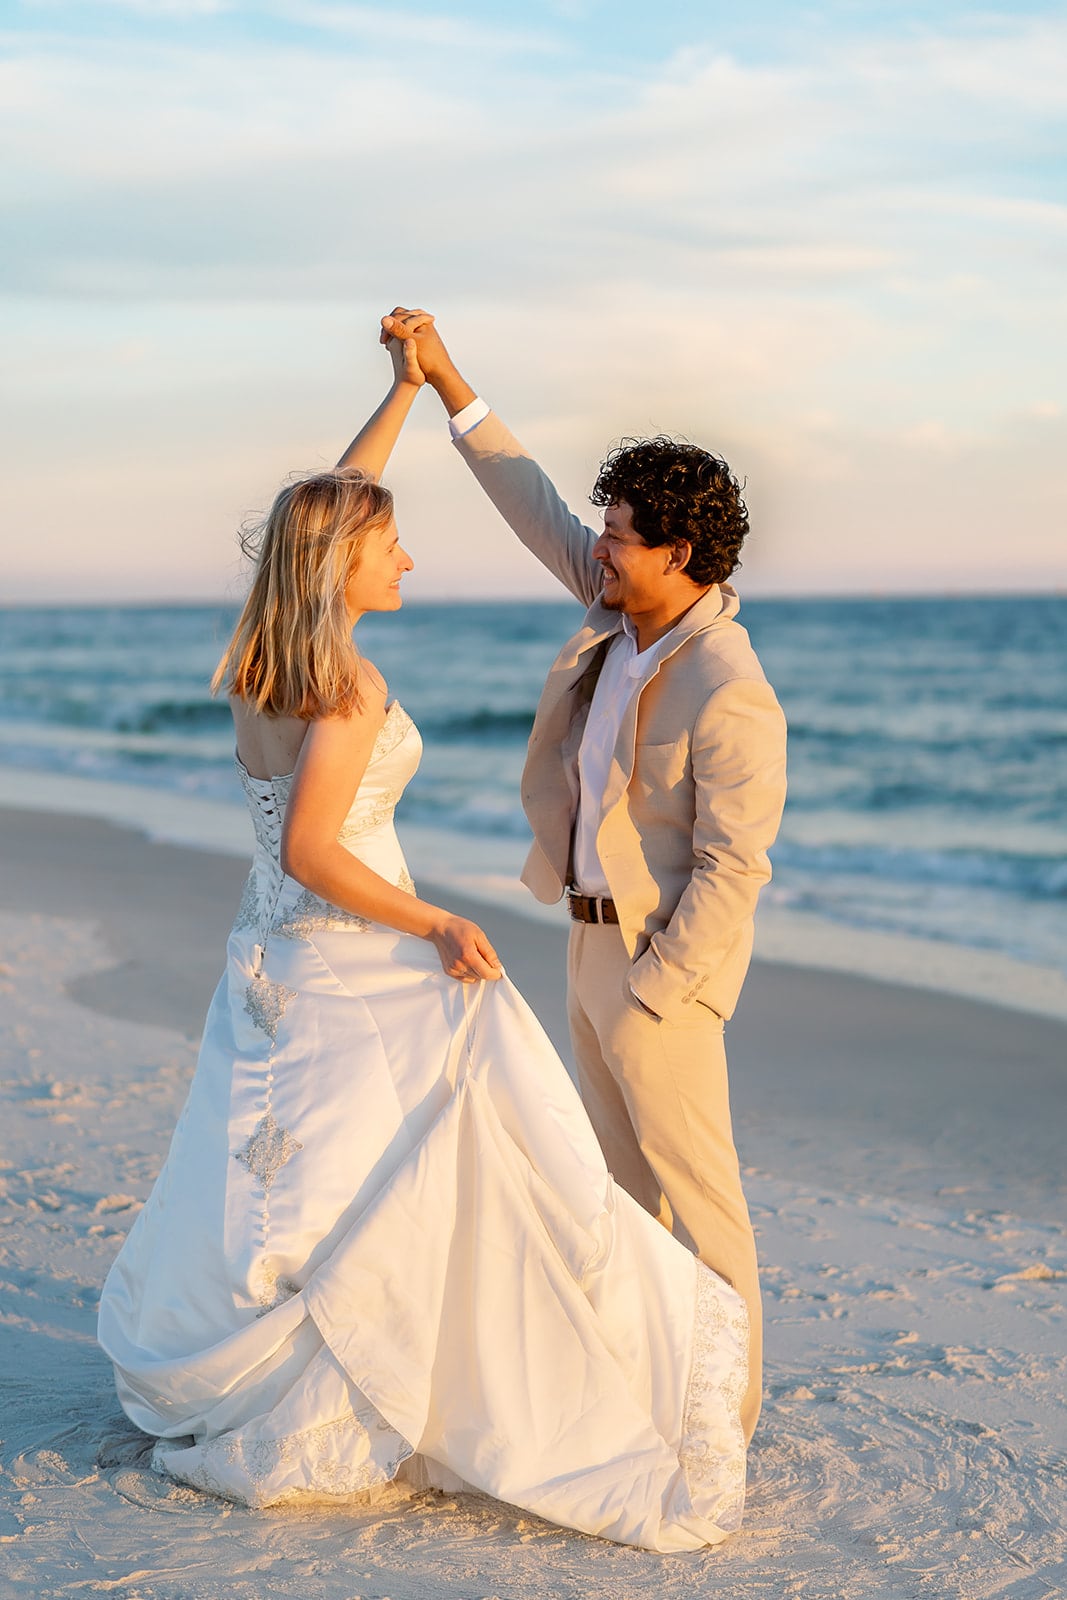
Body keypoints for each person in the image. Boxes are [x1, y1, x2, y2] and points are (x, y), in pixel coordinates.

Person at [97, 331, 751, 1552]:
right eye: (387, 542)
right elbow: (313, 850)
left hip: (271, 960)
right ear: (345, 562)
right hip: (353, 951)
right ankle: (407, 1376)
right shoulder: (344, 684)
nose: (407, 552)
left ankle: (296, 1351)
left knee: (306, 1182)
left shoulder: (263, 651)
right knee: (400, 1172)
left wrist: (405, 393)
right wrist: (441, 918)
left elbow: (321, 516)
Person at [380, 307, 788, 1443]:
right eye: (603, 530)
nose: (598, 546)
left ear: (680, 556)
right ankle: (651, 1401)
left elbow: (733, 861)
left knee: (703, 1211)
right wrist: (448, 381)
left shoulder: (727, 684)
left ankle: (724, 1428)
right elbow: (531, 506)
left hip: (657, 972)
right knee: (619, 1200)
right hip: (583, 942)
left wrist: (660, 984)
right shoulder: (616, 615)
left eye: (619, 535)